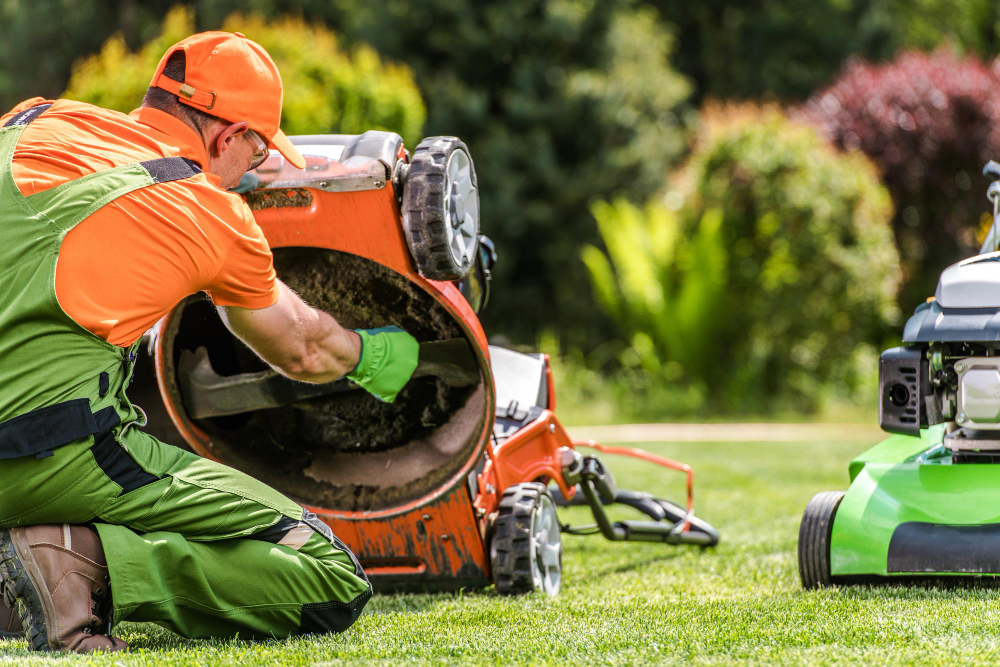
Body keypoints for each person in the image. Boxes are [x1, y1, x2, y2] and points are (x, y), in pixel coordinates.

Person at [0, 31, 420, 653]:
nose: (250, 171)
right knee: (329, 577)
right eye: (255, 155)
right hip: (40, 452)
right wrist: (383, 357)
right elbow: (303, 349)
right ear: (229, 138)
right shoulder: (215, 217)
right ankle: (77, 564)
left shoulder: (33, 118)